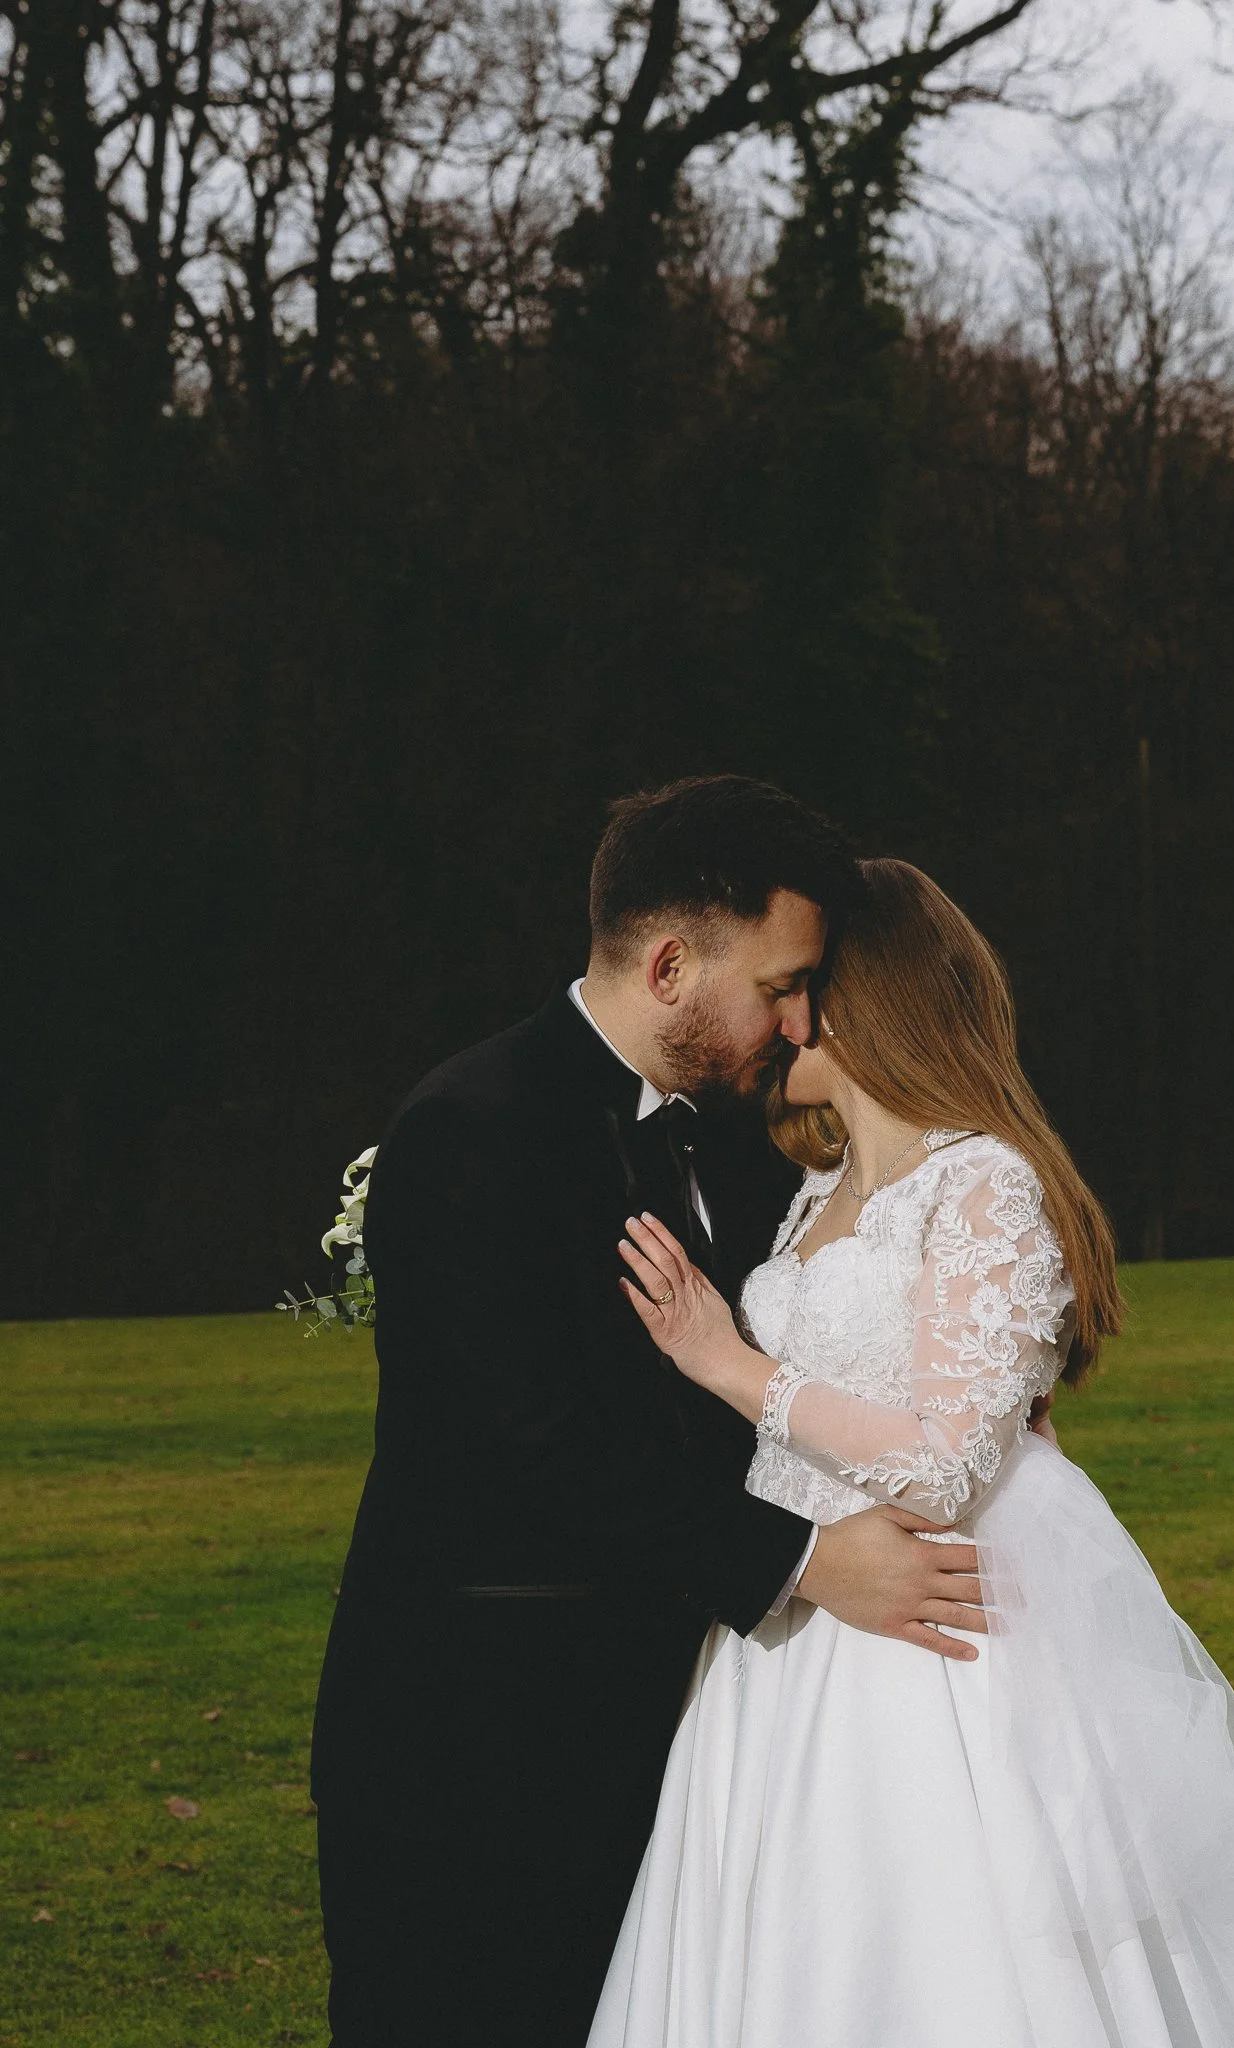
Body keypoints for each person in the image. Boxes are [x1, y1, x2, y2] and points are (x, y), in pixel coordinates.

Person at [596, 856, 1234, 2048]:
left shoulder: (985, 1181)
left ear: (871, 997)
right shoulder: (813, 1189)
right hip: (788, 1628)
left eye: (804, 986)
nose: (779, 1016)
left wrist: (728, 1359)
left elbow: (950, 1463)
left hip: (935, 1631)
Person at [311, 781, 994, 2047]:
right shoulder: (472, 1129)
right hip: (481, 1743)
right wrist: (804, 1563)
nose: (799, 1023)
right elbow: (531, 1447)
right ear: (672, 963)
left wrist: (968, 1393)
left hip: (683, 1731)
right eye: (781, 985)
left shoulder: (743, 1145)